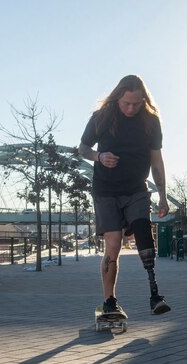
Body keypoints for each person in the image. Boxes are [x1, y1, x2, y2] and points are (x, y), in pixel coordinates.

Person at [78, 75, 171, 315]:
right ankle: (110, 301)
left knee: (143, 233)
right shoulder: (101, 118)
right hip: (106, 189)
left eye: (136, 104)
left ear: (143, 100)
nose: (131, 108)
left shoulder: (150, 122)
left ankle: (154, 295)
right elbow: (83, 149)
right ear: (118, 97)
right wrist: (99, 157)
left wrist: (163, 195)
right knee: (113, 244)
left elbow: (157, 161)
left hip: (136, 188)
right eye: (126, 103)